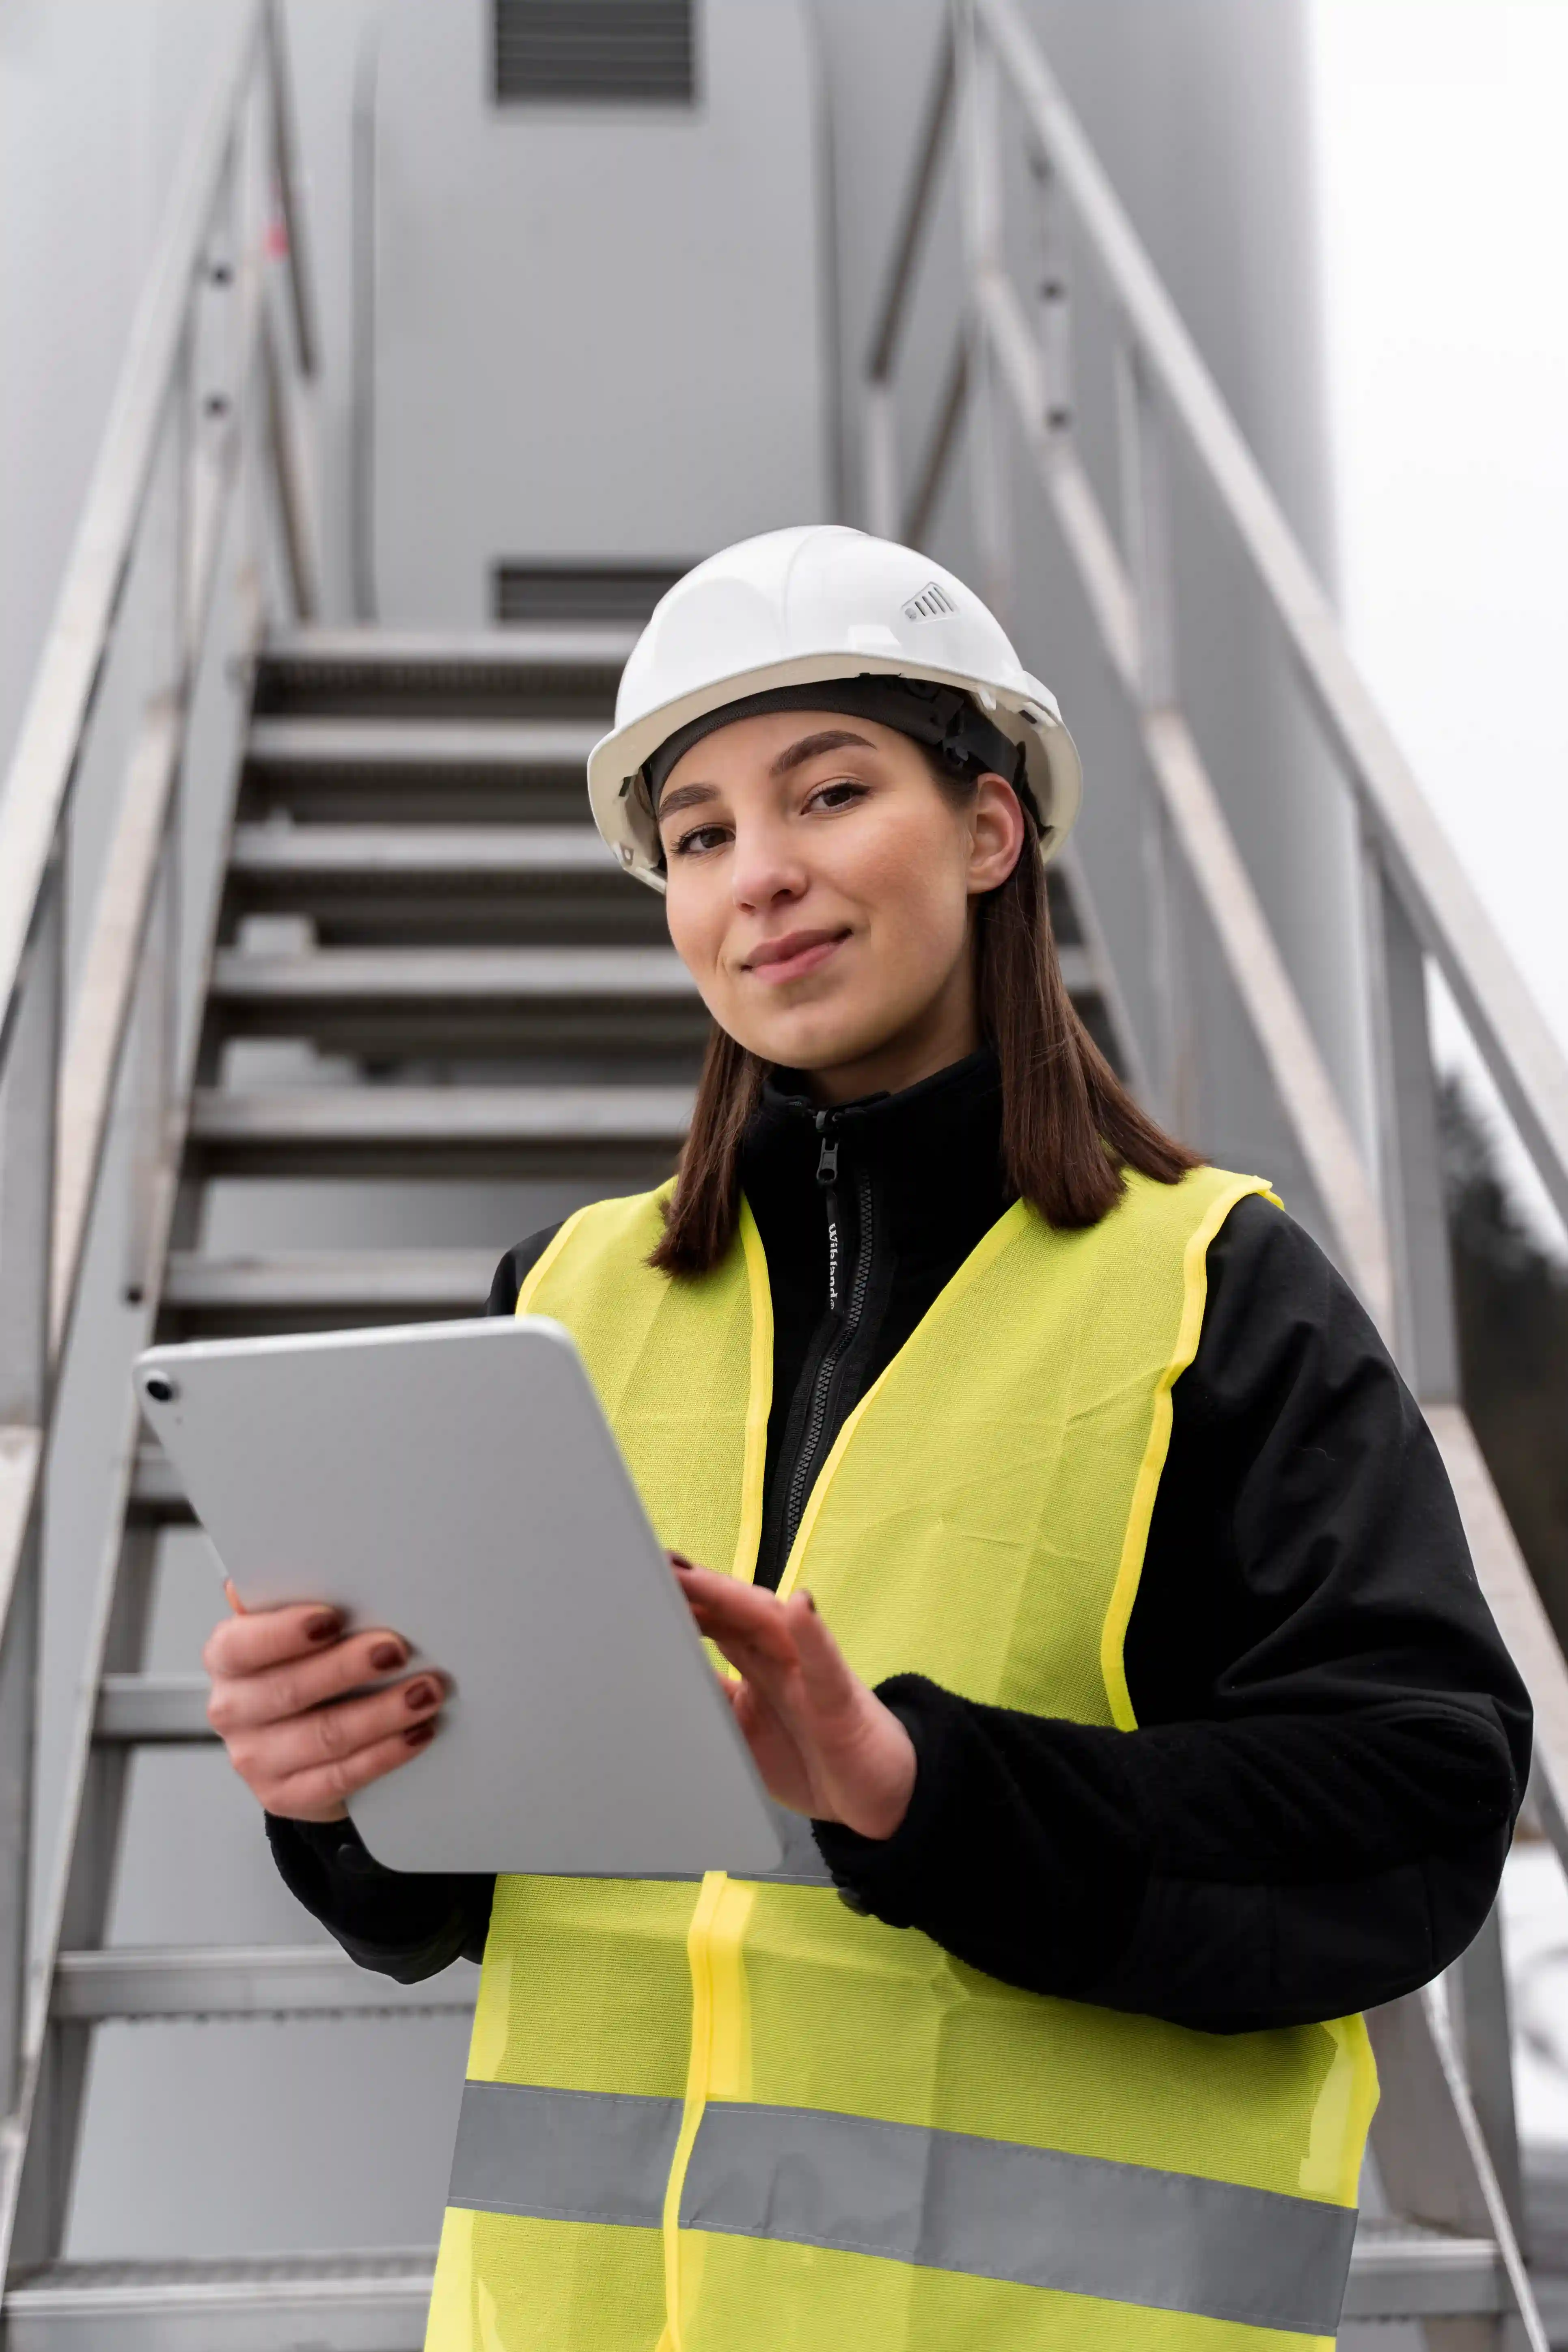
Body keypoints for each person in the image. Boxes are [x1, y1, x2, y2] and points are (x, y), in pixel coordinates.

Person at [202, 526, 1529, 2351]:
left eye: (828, 790)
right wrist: (336, 1784)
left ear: (988, 829)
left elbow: (1411, 1813)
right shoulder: (562, 1302)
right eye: (698, 834)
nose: (762, 874)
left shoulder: (1211, 1287)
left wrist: (918, 1790)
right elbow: (448, 1895)